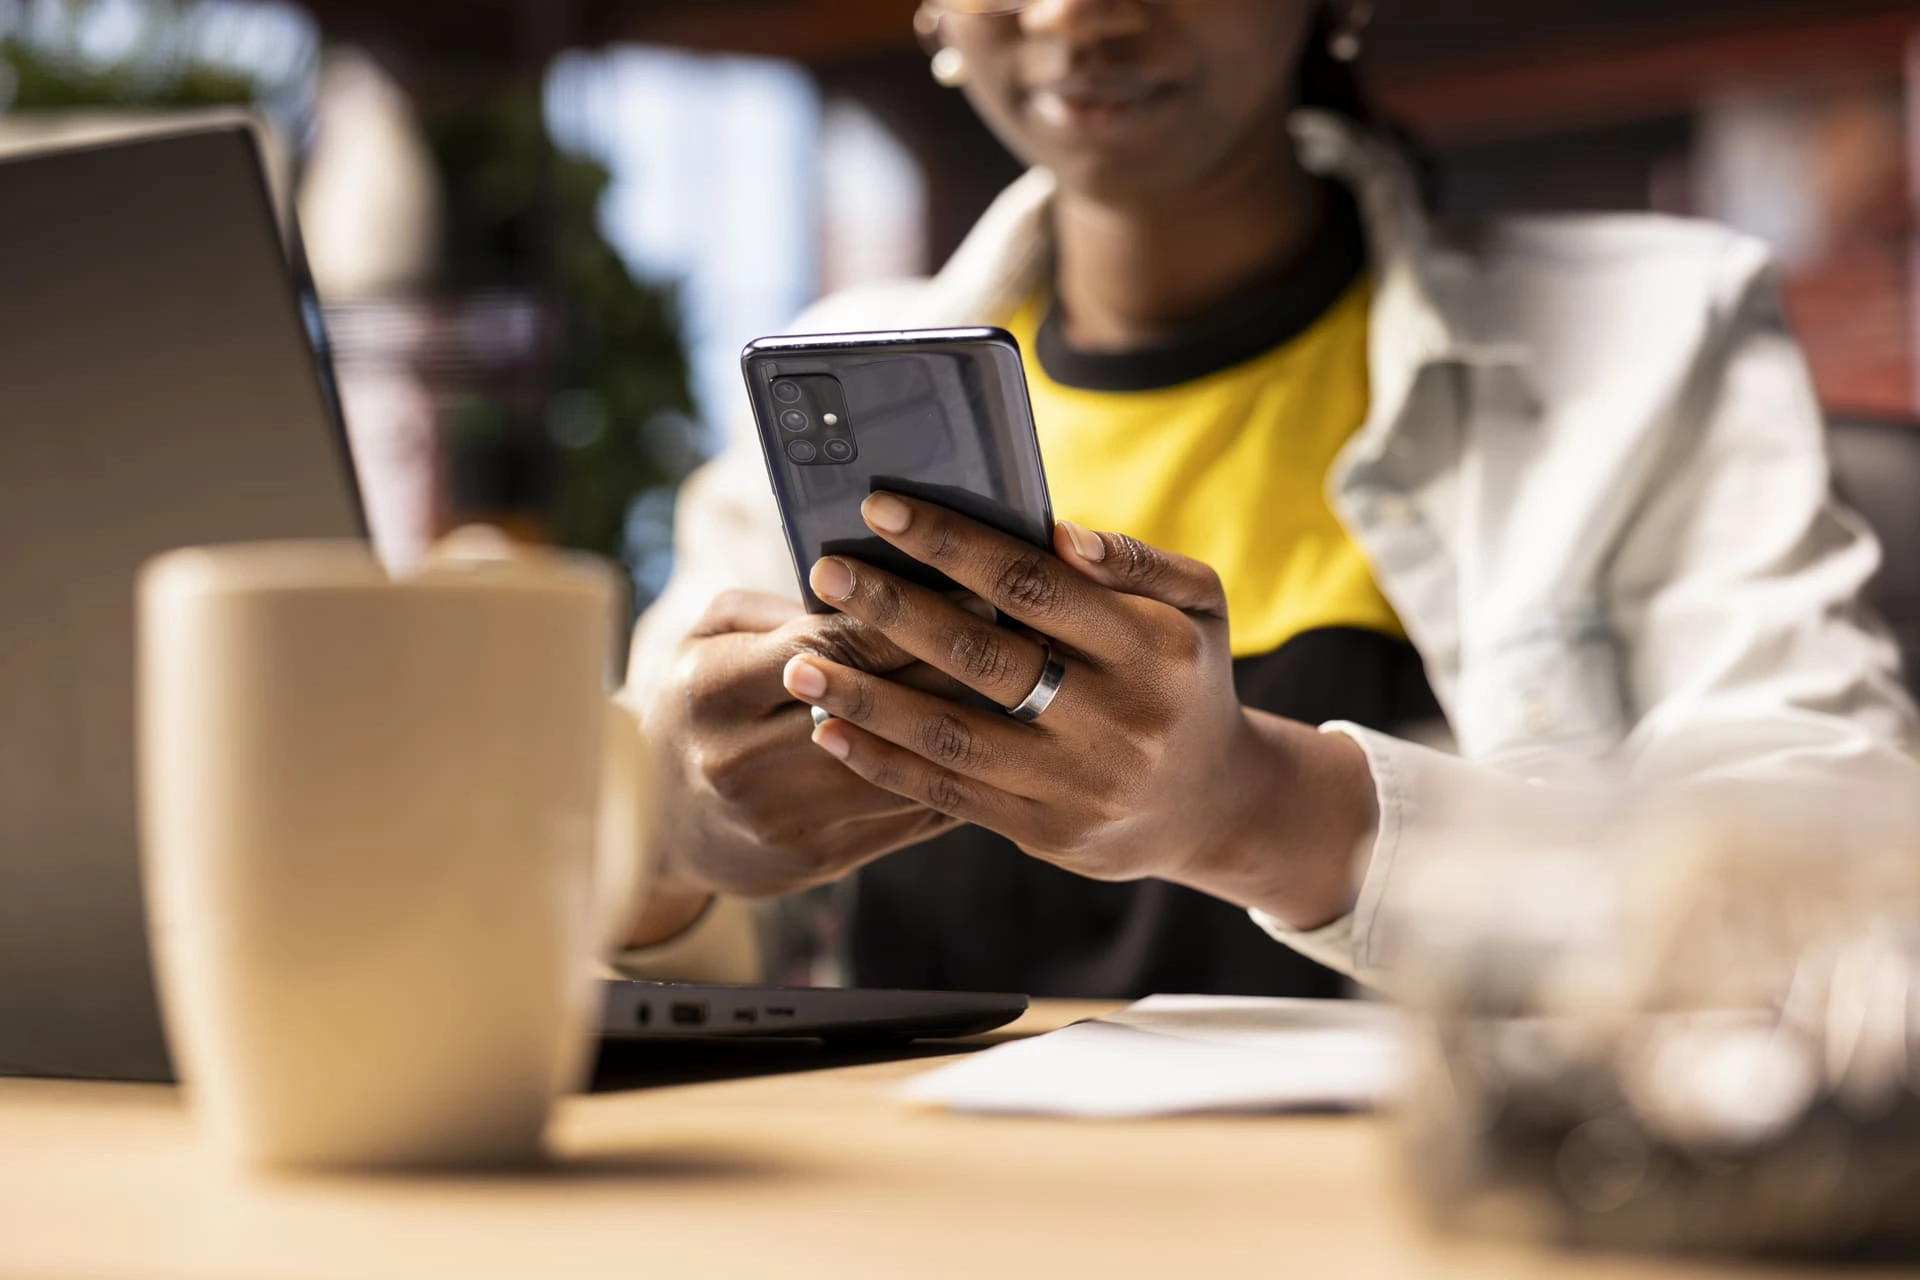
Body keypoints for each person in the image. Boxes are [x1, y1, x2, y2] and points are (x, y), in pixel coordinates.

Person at [609, 0, 1918, 996]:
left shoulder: (1649, 332)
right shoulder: (827, 378)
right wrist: (673, 846)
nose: (1076, 14)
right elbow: (617, 917)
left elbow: (1852, 892)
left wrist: (1266, 811)